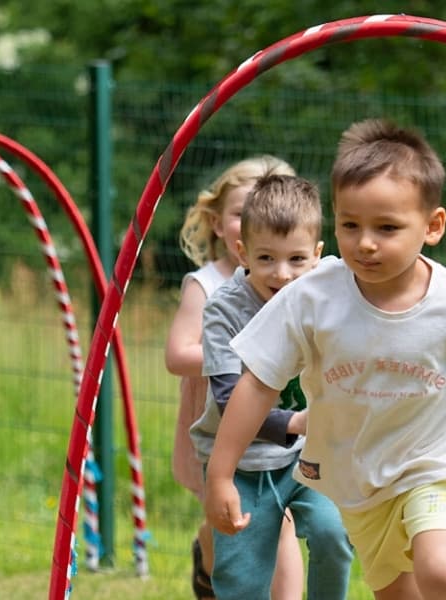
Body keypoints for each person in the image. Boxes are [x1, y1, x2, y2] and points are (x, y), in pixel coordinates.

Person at [204, 119, 446, 600]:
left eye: (387, 227)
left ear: (433, 226)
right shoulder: (311, 298)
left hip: (437, 460)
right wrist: (220, 472)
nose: (365, 242)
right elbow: (257, 384)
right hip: (359, 478)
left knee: (440, 567)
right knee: (399, 593)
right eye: (349, 225)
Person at [190, 173, 352, 600]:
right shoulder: (224, 310)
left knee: (334, 533)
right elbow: (229, 399)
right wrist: (297, 421)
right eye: (266, 259)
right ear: (241, 251)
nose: (282, 274)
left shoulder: (329, 286)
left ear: (317, 256)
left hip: (307, 459)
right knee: (243, 582)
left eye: (297, 259)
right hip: (240, 465)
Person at [167, 155, 304, 599]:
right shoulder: (206, 284)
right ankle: (208, 563)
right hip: (216, 420)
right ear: (217, 221)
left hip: (280, 428)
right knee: (226, 522)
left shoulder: (293, 276)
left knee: (282, 525)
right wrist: (241, 349)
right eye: (241, 214)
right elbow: (176, 354)